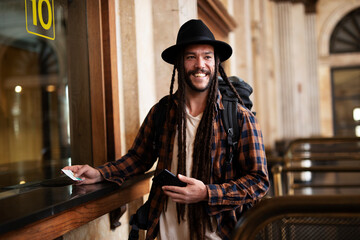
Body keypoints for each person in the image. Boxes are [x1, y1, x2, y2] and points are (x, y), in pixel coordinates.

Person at [63, 19, 269, 240]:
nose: (200, 64)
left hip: (218, 233)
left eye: (207, 56)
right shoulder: (162, 112)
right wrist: (100, 173)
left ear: (216, 63)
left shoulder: (238, 117)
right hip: (166, 232)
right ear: (179, 63)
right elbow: (138, 158)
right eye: (191, 57)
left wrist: (207, 193)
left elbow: (259, 181)